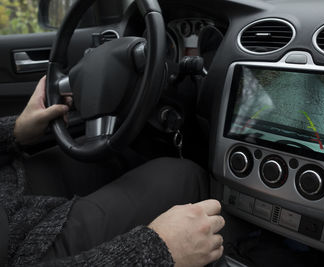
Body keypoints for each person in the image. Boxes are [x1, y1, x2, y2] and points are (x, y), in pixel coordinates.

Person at [0, 76, 225, 266]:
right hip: (22, 249)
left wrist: (15, 130)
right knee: (184, 175)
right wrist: (156, 251)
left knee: (119, 155)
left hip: (10, 186)